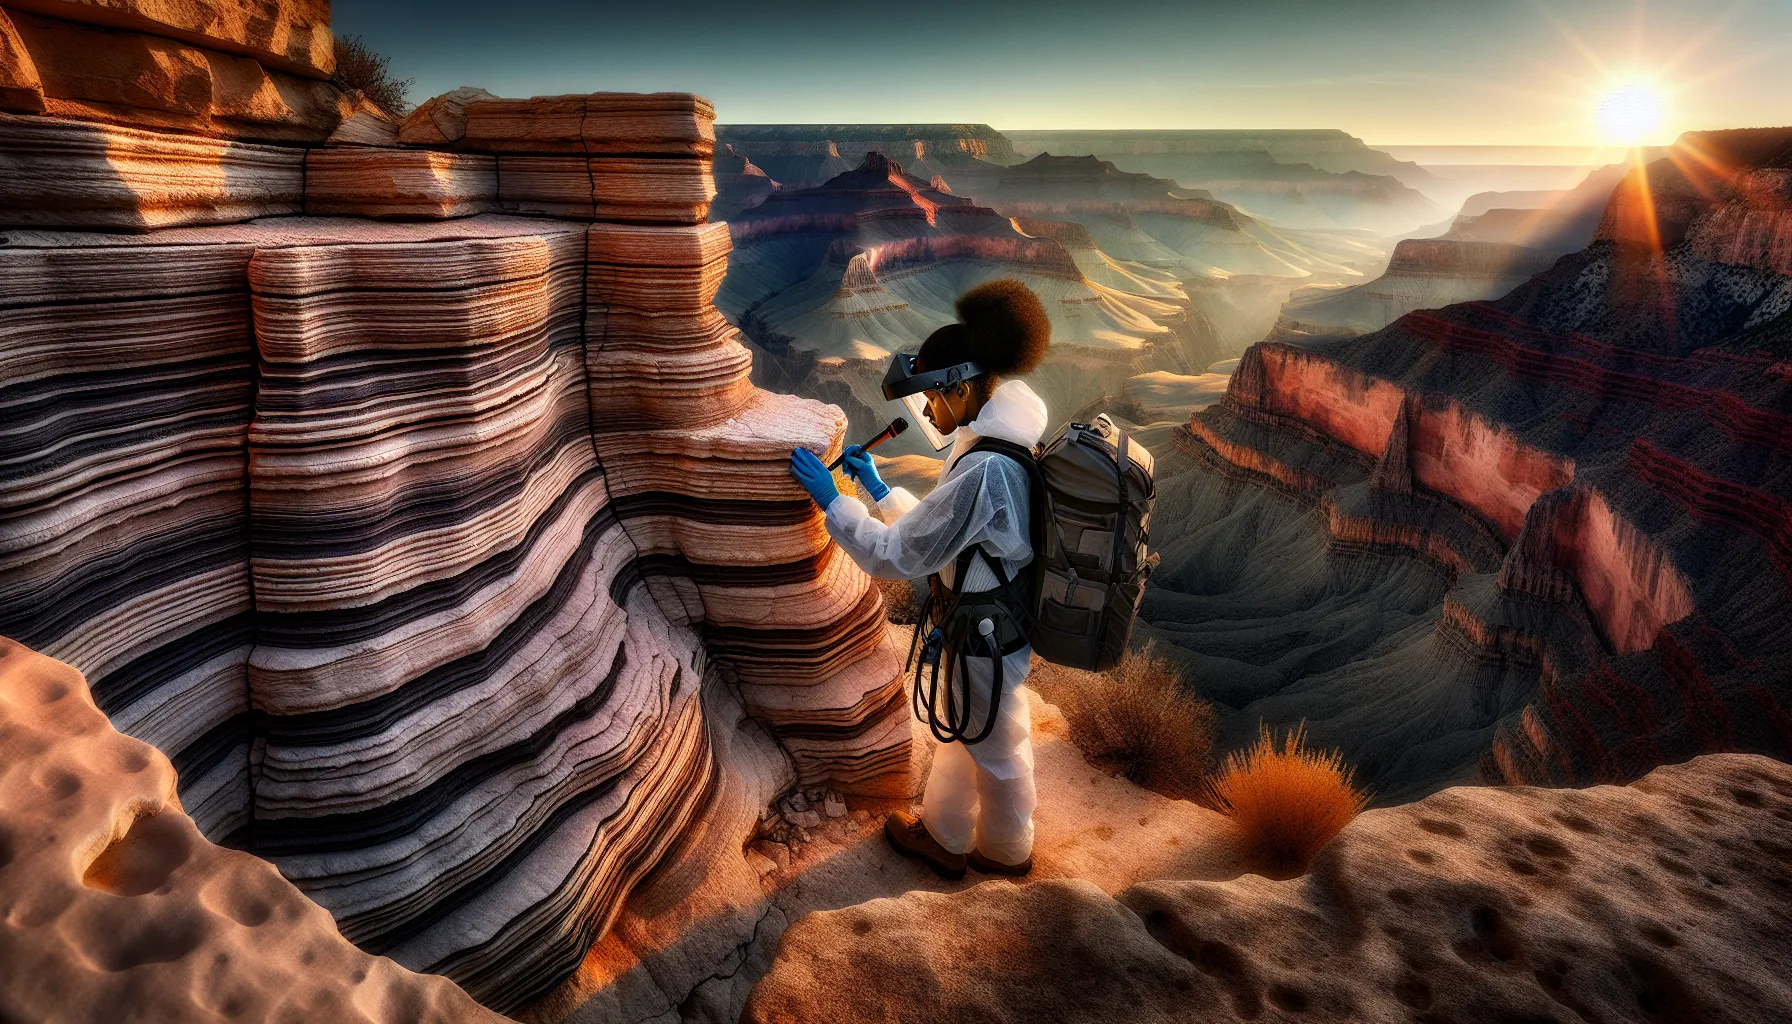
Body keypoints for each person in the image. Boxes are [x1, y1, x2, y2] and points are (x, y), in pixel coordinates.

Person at [788, 279, 1051, 880]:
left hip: (986, 631)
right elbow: (942, 539)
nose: (929, 412)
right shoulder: (990, 445)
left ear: (959, 387)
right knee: (968, 733)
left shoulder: (985, 466)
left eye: (932, 399)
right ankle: (945, 835)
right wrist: (879, 491)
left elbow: (894, 557)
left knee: (1000, 750)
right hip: (980, 625)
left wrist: (835, 502)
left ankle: (1009, 854)